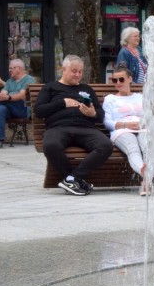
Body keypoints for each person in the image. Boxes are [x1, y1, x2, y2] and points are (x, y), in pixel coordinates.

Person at [34, 55, 113, 196]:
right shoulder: (51, 88)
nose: (77, 75)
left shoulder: (86, 89)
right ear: (63, 70)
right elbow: (39, 111)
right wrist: (63, 103)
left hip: (86, 128)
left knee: (105, 145)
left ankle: (72, 178)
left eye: (80, 72)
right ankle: (73, 180)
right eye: (74, 71)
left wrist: (93, 114)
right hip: (58, 128)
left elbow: (101, 114)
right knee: (51, 145)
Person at [103, 68, 147, 195]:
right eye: (114, 80)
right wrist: (125, 124)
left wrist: (144, 122)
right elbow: (107, 122)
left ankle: (146, 182)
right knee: (133, 149)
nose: (118, 83)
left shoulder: (140, 97)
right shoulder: (110, 99)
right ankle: (143, 171)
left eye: (121, 79)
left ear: (130, 79)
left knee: (147, 148)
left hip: (143, 128)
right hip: (121, 130)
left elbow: (150, 116)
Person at [0, 59, 36, 148]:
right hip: (9, 107)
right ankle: (0, 139)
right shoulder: (9, 81)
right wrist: (3, 96)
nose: (9, 70)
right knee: (0, 109)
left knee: (10, 102)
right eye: (9, 68)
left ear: (19, 68)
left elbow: (22, 95)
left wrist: (8, 97)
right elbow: (4, 92)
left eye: (11, 68)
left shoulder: (29, 80)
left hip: (22, 108)